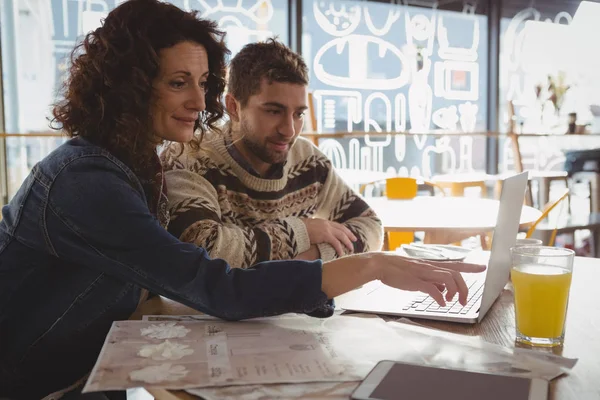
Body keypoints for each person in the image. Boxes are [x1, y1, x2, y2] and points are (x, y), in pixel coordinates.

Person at [0, 1, 485, 399]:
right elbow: (218, 284)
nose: (198, 100)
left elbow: (164, 291)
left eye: (203, 82)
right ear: (127, 87)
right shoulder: (88, 181)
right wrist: (368, 266)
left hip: (91, 377)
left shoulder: (134, 167)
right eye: (177, 82)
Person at [161, 39, 383, 268]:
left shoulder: (308, 160)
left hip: (297, 301)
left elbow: (371, 226)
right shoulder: (188, 159)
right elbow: (205, 250)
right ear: (234, 107)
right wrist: (304, 231)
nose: (289, 130)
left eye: (298, 114)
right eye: (274, 111)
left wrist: (312, 257)